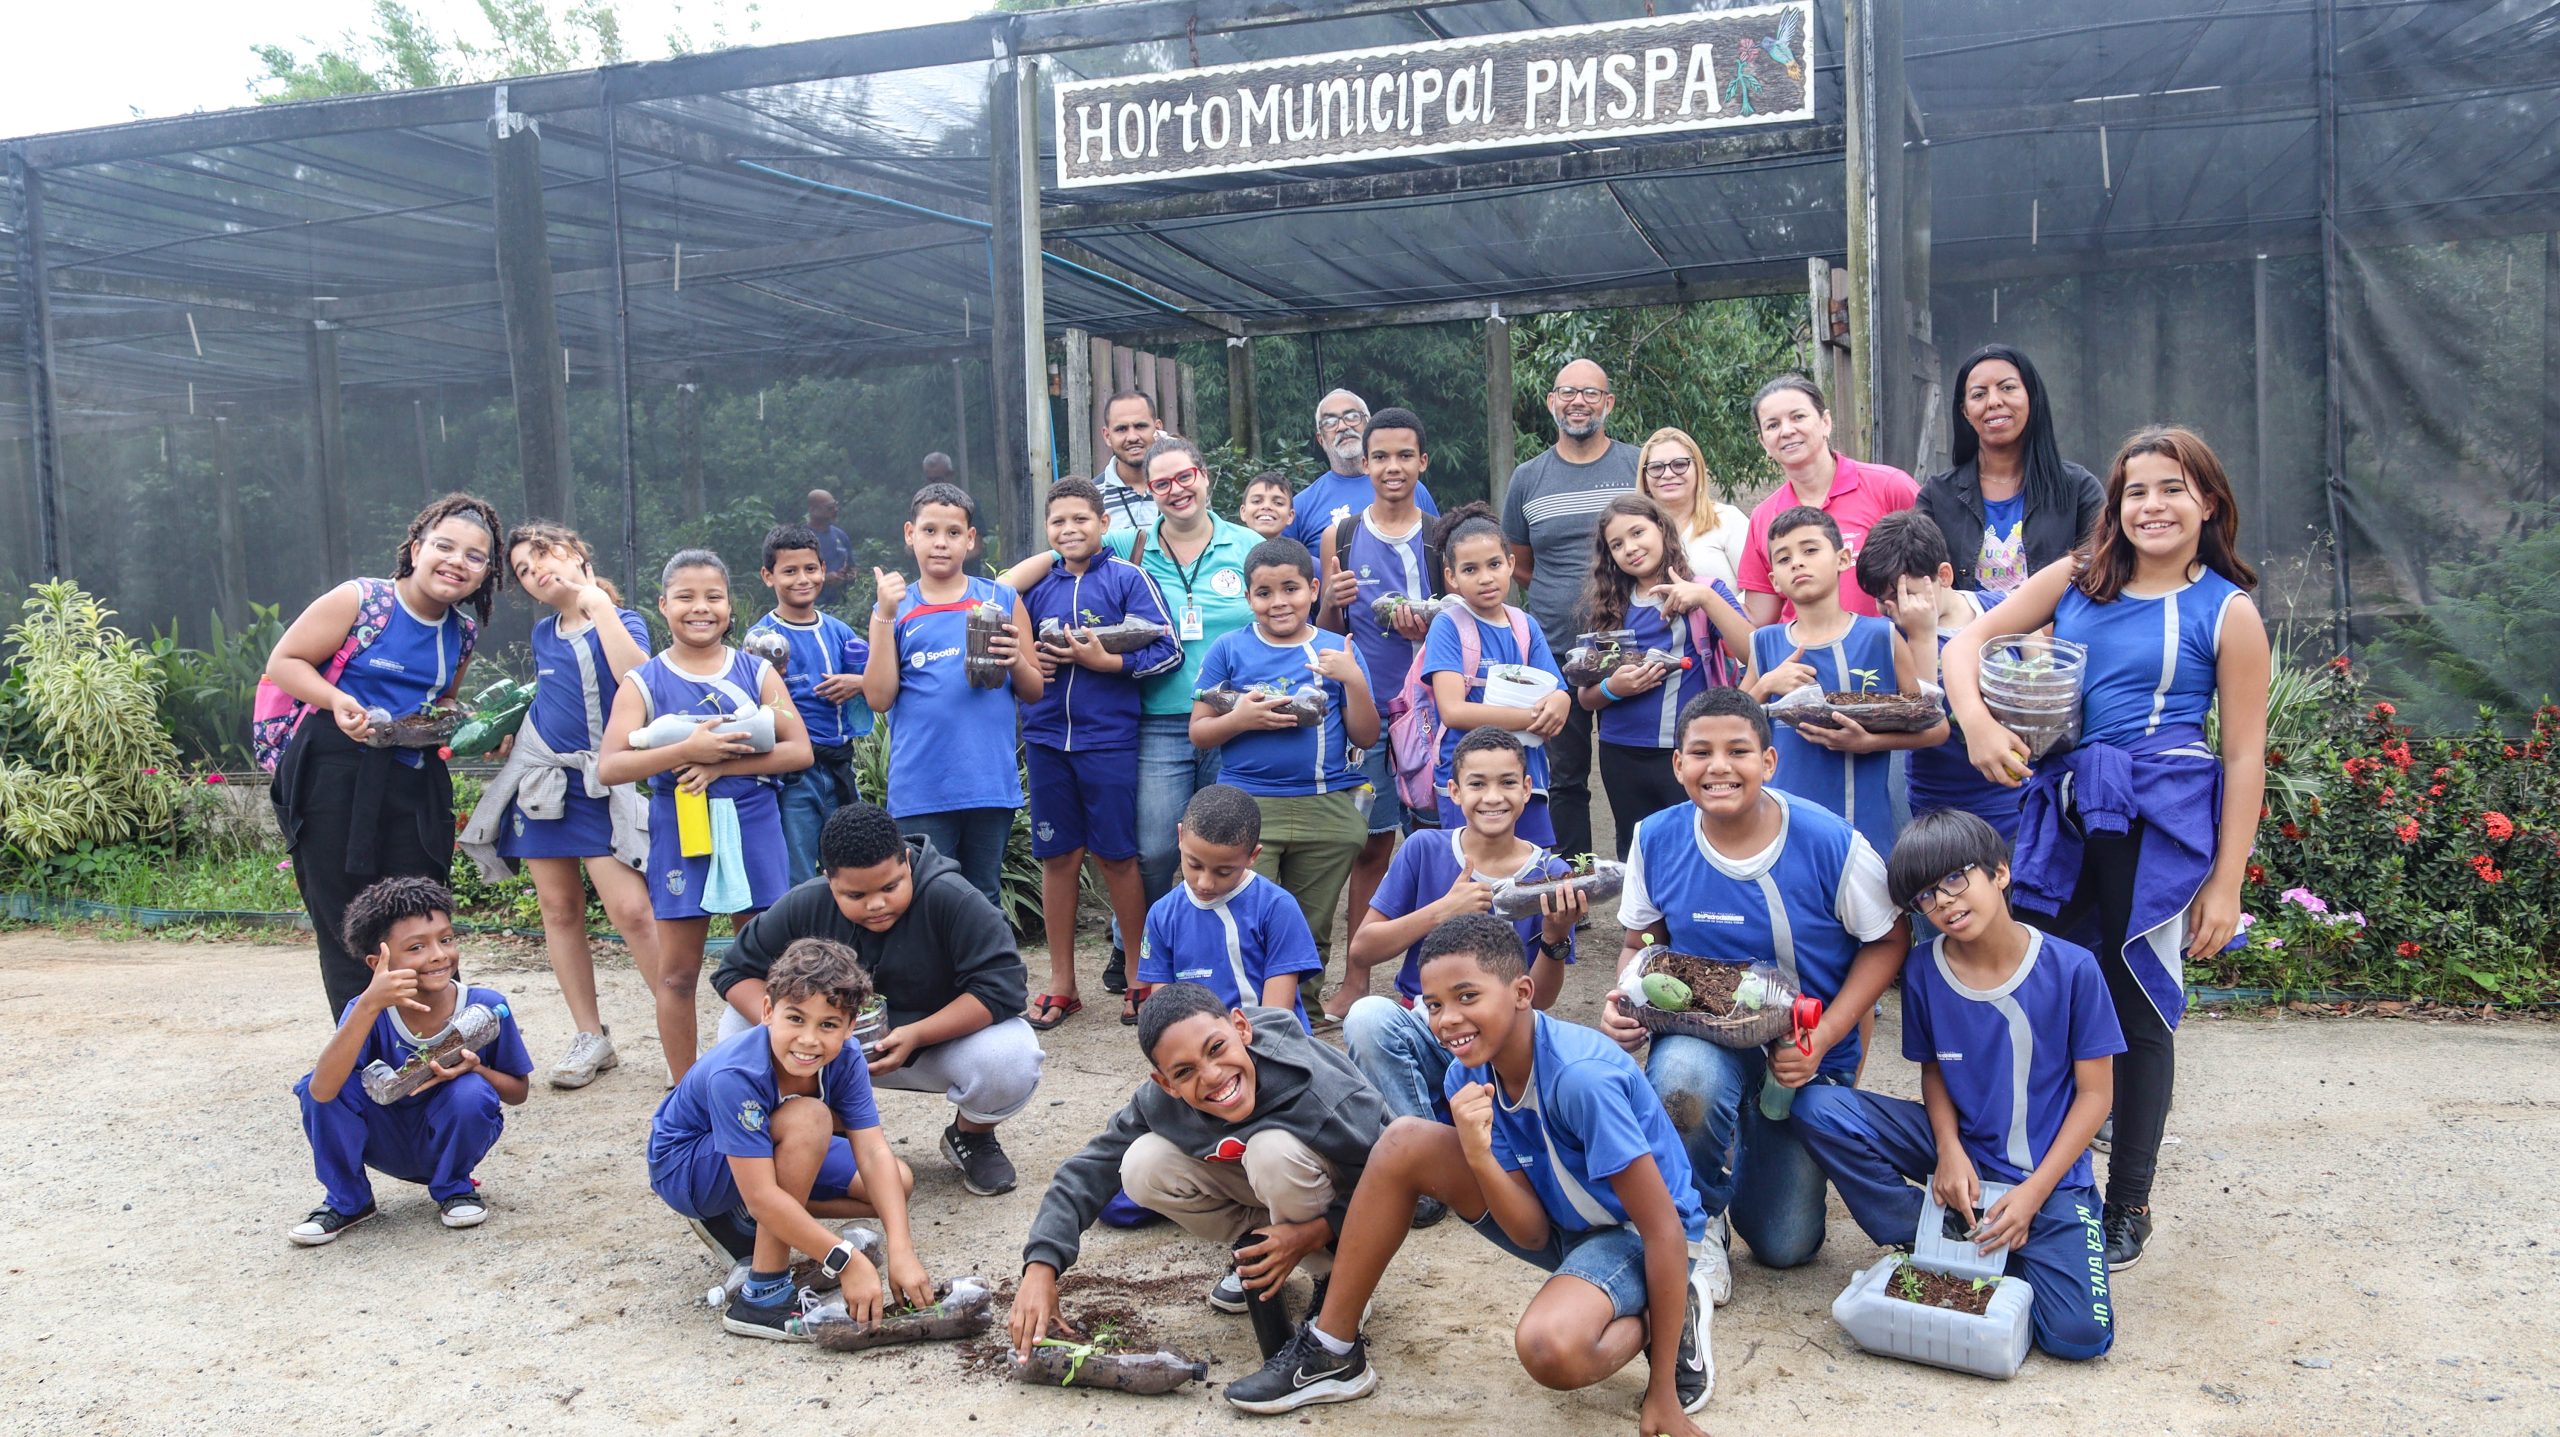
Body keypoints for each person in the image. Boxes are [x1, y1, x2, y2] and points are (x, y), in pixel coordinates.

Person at [1942, 424, 2269, 1270]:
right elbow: (1966, 643)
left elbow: (2243, 755)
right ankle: (2028, 1176)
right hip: (2065, 809)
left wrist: (2226, 882)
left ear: (2209, 503)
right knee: (2041, 988)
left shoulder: (2227, 612)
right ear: (2114, 505)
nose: (2153, 505)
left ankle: (2129, 1201)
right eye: (2137, 491)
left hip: (2157, 825)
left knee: (2136, 1007)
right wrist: (1977, 720)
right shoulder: (2077, 579)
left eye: (2173, 488)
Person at [1226, 915, 1715, 1435]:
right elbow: (1529, 1233)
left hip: (1639, 1235)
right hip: (1564, 1220)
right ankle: (1332, 1350)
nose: (1447, 1020)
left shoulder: (1580, 1081)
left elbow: (1662, 1227)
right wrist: (1478, 1154)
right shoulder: (1468, 1072)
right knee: (1404, 1141)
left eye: (1467, 997)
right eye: (1434, 1005)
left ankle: (1671, 1312)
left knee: (1550, 1350)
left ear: (1522, 991)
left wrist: (1662, 1390)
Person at [1598, 689, 1910, 1295]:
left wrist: (1822, 1038)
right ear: (1678, 765)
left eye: (1738, 750)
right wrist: (1623, 998)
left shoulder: (1828, 841)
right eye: (1701, 752)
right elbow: (1642, 944)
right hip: (1703, 1040)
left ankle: (1746, 1149)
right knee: (1686, 1079)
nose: (1719, 766)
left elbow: (1889, 939)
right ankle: (1697, 1220)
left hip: (1800, 1054)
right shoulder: (1656, 838)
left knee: (1785, 1245)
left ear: (1769, 761)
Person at [1790, 810, 2122, 1360]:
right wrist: (1948, 1151)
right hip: (1960, 1149)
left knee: (2079, 1338)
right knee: (1820, 1108)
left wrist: (2034, 1194)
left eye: (1954, 879)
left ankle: (1986, 1247)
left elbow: (2097, 1095)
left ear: (2001, 872)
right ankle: (1925, 1235)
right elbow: (1936, 1069)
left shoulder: (2073, 968)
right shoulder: (1922, 969)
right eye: (1924, 896)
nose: (1942, 901)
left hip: (2046, 1175)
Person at [1002, 433, 1262, 989]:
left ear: (1204, 476)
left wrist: (1106, 665)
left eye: (1183, 477)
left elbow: (1279, 607)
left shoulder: (1246, 545)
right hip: (1156, 720)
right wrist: (1029, 653)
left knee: (1231, 842)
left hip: (1234, 717)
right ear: (1148, 491)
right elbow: (1052, 557)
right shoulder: (1128, 542)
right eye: (1161, 482)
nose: (1175, 489)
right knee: (1151, 848)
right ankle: (1136, 952)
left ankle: (1231, 958)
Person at [1009, 983, 1391, 1347]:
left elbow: (1390, 1181)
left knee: (1271, 1151)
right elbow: (1087, 1169)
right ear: (1166, 1084)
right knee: (1141, 1164)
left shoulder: (1313, 1087)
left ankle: (1336, 1278)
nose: (1211, 1075)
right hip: (1272, 1186)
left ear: (1241, 1027)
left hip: (1347, 1193)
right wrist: (1041, 1266)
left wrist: (1314, 1233)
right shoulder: (1158, 1102)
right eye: (1184, 1072)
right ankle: (1262, 1254)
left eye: (1216, 1048)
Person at [712, 802, 1045, 1197]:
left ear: (906, 860)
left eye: (890, 886)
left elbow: (1001, 988)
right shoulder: (807, 903)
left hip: (929, 1048)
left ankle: (971, 1136)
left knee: (1013, 1052)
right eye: (854, 894)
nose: (876, 904)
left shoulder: (952, 899)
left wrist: (918, 1034)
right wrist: (799, 1031)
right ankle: (821, 1131)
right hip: (825, 1052)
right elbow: (735, 972)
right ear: (828, 879)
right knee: (737, 1027)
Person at [264, 493, 503, 1017]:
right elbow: (285, 662)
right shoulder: (362, 600)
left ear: (486, 572)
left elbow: (441, 703)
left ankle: (440, 1044)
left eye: (474, 556)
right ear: (416, 549)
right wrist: (337, 699)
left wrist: (474, 727)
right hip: (332, 774)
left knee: (424, 915)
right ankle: (365, 1056)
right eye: (444, 547)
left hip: (414, 784)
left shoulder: (461, 632)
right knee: (348, 922)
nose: (456, 563)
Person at [456, 520, 661, 1090]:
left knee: (634, 912)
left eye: (544, 554)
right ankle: (590, 1036)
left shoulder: (625, 619)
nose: (536, 570)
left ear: (576, 554)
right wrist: (509, 731)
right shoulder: (545, 634)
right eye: (523, 569)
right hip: (544, 786)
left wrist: (597, 604)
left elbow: (638, 678)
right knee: (559, 909)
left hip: (604, 781)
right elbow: (551, 698)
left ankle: (678, 1031)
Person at [598, 549, 813, 1083]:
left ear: (730, 606)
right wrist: (686, 750)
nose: (701, 608)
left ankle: (777, 1080)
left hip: (753, 826)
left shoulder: (756, 670)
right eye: (686, 598)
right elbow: (611, 766)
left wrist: (720, 766)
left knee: (767, 962)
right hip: (680, 830)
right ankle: (686, 1087)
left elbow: (800, 750)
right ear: (663, 605)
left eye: (713, 597)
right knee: (677, 975)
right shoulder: (642, 681)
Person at [648, 938, 932, 1341]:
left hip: (758, 1157)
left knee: (894, 1183)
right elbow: (764, 1193)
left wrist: (901, 1248)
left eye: (829, 1024)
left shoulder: (847, 1056)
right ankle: (763, 1295)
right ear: (767, 1011)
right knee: (809, 1118)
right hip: (689, 1169)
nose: (809, 1040)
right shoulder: (737, 1073)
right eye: (795, 1019)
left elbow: (872, 1150)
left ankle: (752, 1221)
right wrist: (845, 1259)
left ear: (850, 1027)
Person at [1339, 730, 1583, 1142]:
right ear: (1453, 791)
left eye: (1507, 782)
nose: (1493, 797)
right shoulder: (1424, 849)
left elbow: (1538, 1000)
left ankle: (1466, 1138)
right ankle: (1429, 1150)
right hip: (1429, 1029)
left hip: (1501, 1040)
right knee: (1367, 1018)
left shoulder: (1551, 875)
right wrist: (1440, 911)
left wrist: (1554, 938)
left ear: (1528, 790)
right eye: (1477, 784)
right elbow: (1363, 950)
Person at [289, 877, 532, 1245]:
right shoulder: (367, 1011)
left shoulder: (484, 1006)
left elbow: (518, 1092)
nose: (438, 955)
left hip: (448, 1135)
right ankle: (349, 1200)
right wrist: (370, 1004)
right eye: (416, 947)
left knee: (470, 1092)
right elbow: (322, 1091)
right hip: (383, 1138)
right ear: (378, 963)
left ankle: (455, 1187)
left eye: (446, 939)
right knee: (316, 1083)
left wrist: (476, 1068)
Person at [1019, 477, 1181, 1029]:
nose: (1070, 530)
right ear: (1046, 530)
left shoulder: (1128, 578)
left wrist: (1108, 664)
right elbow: (998, 631)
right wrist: (1028, 665)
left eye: (1081, 519)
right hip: (1044, 740)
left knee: (1117, 856)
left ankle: (1139, 976)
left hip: (1108, 739)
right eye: (1058, 521)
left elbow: (1168, 648)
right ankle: (1063, 984)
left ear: (1104, 523)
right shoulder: (1036, 584)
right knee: (1058, 857)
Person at [1191, 539, 1380, 980]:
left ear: (1314, 590)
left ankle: (1303, 1020)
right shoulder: (1228, 649)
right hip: (1246, 807)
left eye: (1290, 589)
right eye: (1264, 593)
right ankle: (1243, 1013)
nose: (1278, 603)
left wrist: (1353, 680)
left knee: (1311, 928)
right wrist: (1242, 718)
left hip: (1326, 807)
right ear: (1248, 597)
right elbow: (1199, 733)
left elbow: (1366, 735)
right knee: (1246, 918)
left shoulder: (1336, 650)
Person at [862, 482, 1043, 907]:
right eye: (929, 531)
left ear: (971, 539)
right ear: (910, 534)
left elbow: (1034, 691)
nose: (941, 543)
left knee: (984, 898)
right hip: (920, 786)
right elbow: (878, 698)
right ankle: (930, 978)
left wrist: (1016, 658)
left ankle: (990, 976)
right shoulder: (893, 608)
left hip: (987, 783)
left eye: (953, 533)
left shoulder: (1000, 599)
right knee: (926, 899)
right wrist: (886, 616)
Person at [1742, 506, 1945, 857]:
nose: (1797, 563)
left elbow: (1935, 728)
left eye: (1810, 550)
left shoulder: (1881, 637)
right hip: (1783, 832)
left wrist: (1869, 742)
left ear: (1843, 558)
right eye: (1784, 557)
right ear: (1774, 579)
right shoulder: (1763, 644)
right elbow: (1729, 725)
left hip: (1866, 829)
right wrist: (1766, 685)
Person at [1501, 359, 1640, 862]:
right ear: (1551, 402)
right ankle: (1573, 885)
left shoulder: (1637, 465)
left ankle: (1637, 890)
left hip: (1632, 650)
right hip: (1556, 651)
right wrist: (1568, 596)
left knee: (1633, 771)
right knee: (1564, 775)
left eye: (1590, 393)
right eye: (1567, 392)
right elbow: (1517, 563)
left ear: (1608, 403)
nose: (1577, 401)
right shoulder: (1527, 477)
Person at [1574, 494, 1754, 854]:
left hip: (1688, 752)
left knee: (1695, 848)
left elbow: (1754, 650)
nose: (1631, 548)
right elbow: (1585, 696)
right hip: (1620, 753)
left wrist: (1704, 598)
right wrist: (1614, 687)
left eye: (1638, 532)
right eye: (1617, 544)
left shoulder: (1707, 589)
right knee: (1637, 850)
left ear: (1662, 527)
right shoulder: (1608, 606)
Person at [1314, 406, 1435, 939]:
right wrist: (1330, 603)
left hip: (1434, 713)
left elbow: (1467, 617)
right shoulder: (1337, 536)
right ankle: (1357, 972)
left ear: (1422, 462)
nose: (1393, 467)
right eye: (1381, 456)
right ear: (1364, 464)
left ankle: (1439, 959)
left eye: (1404, 455)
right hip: (1366, 718)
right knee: (1372, 841)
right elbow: (1325, 629)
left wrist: (1428, 629)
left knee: (1438, 837)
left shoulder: (1441, 535)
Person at [1852, 510, 2022, 841]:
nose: (1895, 610)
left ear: (1943, 575)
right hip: (1942, 808)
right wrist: (1922, 637)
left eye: (1906, 594)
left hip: (2015, 799)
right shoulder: (1892, 638)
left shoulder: (1997, 608)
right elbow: (1924, 719)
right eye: (1883, 602)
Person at [1422, 503, 1570, 844]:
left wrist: (1562, 702)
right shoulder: (1448, 626)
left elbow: (1558, 691)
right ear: (1451, 577)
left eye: (1494, 564)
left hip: (1524, 778)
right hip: (1468, 780)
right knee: (1472, 871)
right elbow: (1453, 710)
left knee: (1530, 871)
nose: (1485, 577)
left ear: (1511, 565)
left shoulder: (1524, 625)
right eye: (1470, 569)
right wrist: (1533, 717)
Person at [1915, 345, 2105, 596]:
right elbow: (1921, 584)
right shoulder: (1937, 496)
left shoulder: (2078, 489)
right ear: (1965, 412)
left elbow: (2102, 576)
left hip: (2053, 635)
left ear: (2032, 396)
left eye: (2007, 388)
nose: (1994, 402)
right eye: (1979, 394)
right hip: (1965, 634)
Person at [1137, 784, 1325, 1029]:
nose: (1205, 883)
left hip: (1270, 1047)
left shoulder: (1277, 908)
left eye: (1224, 871)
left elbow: (1277, 1018)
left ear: (1253, 856)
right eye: (1194, 865)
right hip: (1199, 1052)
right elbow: (1165, 1015)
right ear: (1180, 836)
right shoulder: (1162, 915)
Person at [1736, 376, 1919, 624]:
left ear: (1825, 422)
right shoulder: (1763, 517)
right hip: (1805, 658)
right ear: (1763, 443)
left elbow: (1936, 574)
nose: (1787, 431)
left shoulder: (1889, 486)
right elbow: (1759, 619)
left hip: (1888, 653)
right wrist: (1708, 598)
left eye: (1798, 417)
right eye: (1772, 425)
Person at [753, 523, 873, 885]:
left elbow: (880, 681)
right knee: (799, 871)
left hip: (839, 765)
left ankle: (843, 939)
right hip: (792, 777)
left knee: (846, 866)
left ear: (823, 569)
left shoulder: (838, 631)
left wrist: (860, 682)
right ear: (768, 576)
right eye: (789, 571)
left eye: (810, 569)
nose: (801, 579)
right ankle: (801, 941)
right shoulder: (761, 638)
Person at [1285, 388, 1439, 550]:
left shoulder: (1411, 488)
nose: (1342, 426)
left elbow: (1441, 552)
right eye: (1329, 422)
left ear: (1369, 425)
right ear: (1320, 438)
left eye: (1352, 417)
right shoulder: (1302, 506)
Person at [1636, 427, 1753, 592]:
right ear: (1644, 477)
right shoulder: (1636, 535)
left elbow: (1758, 591)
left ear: (1698, 470)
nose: (1668, 474)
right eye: (1656, 467)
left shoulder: (1728, 520)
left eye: (1679, 464)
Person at [1091, 389, 1163, 533]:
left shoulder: (1183, 487)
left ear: (1158, 429)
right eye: (1121, 429)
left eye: (1140, 426)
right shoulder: (1091, 497)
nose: (1132, 437)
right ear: (1107, 436)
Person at [804, 488, 856, 609]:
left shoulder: (840, 536)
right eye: (829, 508)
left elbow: (852, 567)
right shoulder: (801, 538)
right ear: (813, 510)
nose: (835, 510)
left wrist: (848, 576)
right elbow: (794, 574)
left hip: (841, 608)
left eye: (835, 505)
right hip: (811, 606)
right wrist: (824, 579)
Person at [1239, 471, 1296, 541]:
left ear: (1290, 516)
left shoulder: (1297, 551)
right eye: (1256, 501)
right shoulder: (1230, 551)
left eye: (1278, 503)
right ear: (1243, 512)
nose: (1267, 506)